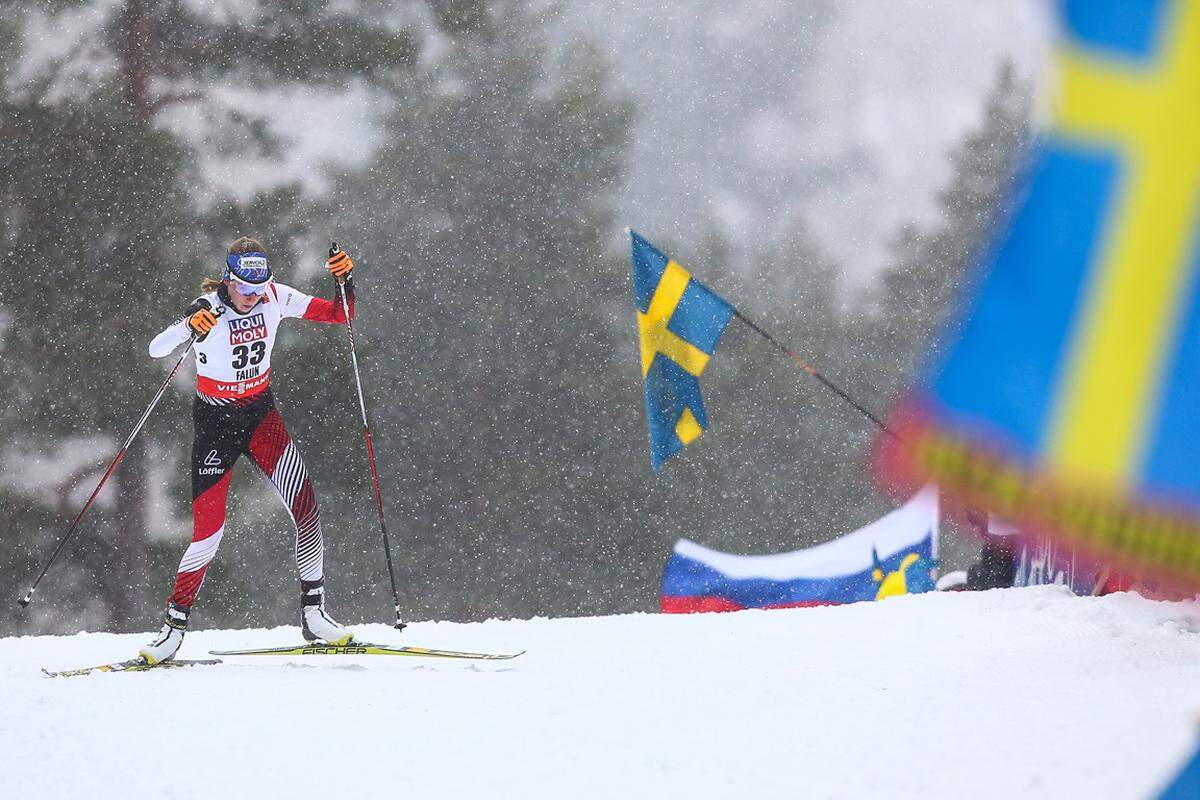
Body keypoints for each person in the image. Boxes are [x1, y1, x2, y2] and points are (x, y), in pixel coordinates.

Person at [139, 236, 358, 663]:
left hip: (260, 418)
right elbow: (156, 349)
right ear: (228, 281)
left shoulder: (275, 296)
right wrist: (188, 325)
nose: (254, 297)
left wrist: (345, 281)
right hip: (216, 426)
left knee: (307, 510)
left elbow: (339, 315)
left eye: (260, 288)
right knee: (208, 532)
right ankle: (172, 629)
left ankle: (314, 615)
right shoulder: (208, 307)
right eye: (245, 288)